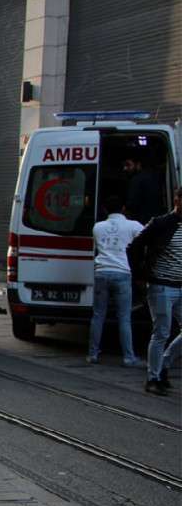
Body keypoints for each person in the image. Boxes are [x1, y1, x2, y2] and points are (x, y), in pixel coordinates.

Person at [128, 187, 182, 396]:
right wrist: (140, 275)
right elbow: (134, 247)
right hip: (161, 285)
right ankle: (153, 378)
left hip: (180, 285)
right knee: (161, 332)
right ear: (177, 200)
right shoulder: (161, 223)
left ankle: (164, 365)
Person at [87, 195, 145, 368]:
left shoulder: (97, 227)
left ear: (105, 209)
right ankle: (128, 357)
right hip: (122, 273)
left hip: (101, 272)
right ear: (124, 208)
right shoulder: (133, 225)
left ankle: (93, 354)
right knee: (124, 317)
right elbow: (147, 237)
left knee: (98, 315)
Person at [123, 155, 162, 225]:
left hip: (141, 221)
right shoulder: (153, 177)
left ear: (138, 165)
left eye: (128, 165)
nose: (125, 168)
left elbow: (132, 203)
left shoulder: (136, 180)